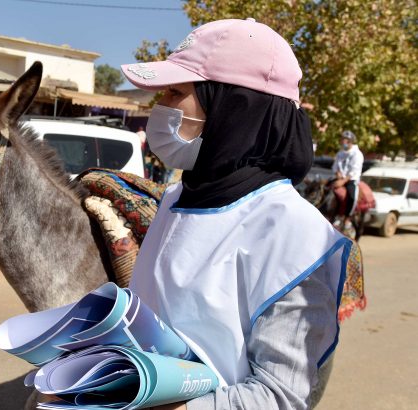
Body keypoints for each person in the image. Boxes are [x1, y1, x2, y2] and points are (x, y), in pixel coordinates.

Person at [120, 18, 352, 409]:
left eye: (175, 92)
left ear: (234, 108)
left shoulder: (295, 234)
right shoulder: (176, 198)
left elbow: (279, 395)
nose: (158, 109)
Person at [331, 130, 364, 233]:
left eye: (344, 139)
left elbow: (354, 170)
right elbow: (335, 166)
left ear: (350, 141)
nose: (341, 141)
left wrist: (342, 181)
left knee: (351, 196)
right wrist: (337, 174)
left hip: (350, 180)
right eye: (341, 139)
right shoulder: (340, 153)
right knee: (322, 188)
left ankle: (347, 219)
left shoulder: (357, 154)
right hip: (339, 178)